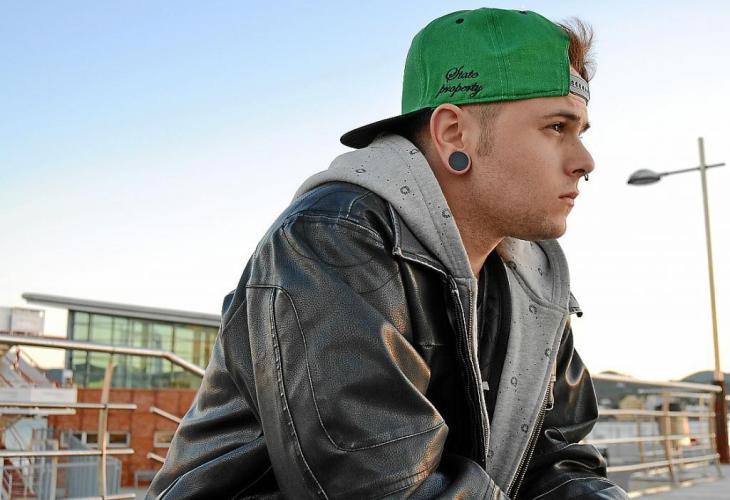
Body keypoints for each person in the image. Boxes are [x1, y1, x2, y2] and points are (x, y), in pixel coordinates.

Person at [148, 7, 628, 499]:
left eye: (581, 132)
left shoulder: (532, 276)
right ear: (454, 133)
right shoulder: (332, 238)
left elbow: (553, 459)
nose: (585, 161)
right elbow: (378, 486)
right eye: (556, 127)